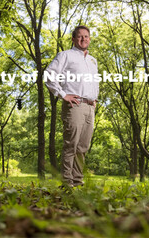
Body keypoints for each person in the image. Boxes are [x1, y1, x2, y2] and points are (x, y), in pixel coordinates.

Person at [45, 25, 99, 187]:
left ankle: (77, 180)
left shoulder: (92, 60)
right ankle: (67, 182)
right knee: (71, 145)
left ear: (89, 39)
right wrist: (63, 94)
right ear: (74, 39)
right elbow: (49, 75)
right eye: (80, 36)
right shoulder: (65, 55)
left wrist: (94, 99)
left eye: (86, 36)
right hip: (74, 105)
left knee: (83, 147)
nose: (84, 39)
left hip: (90, 107)